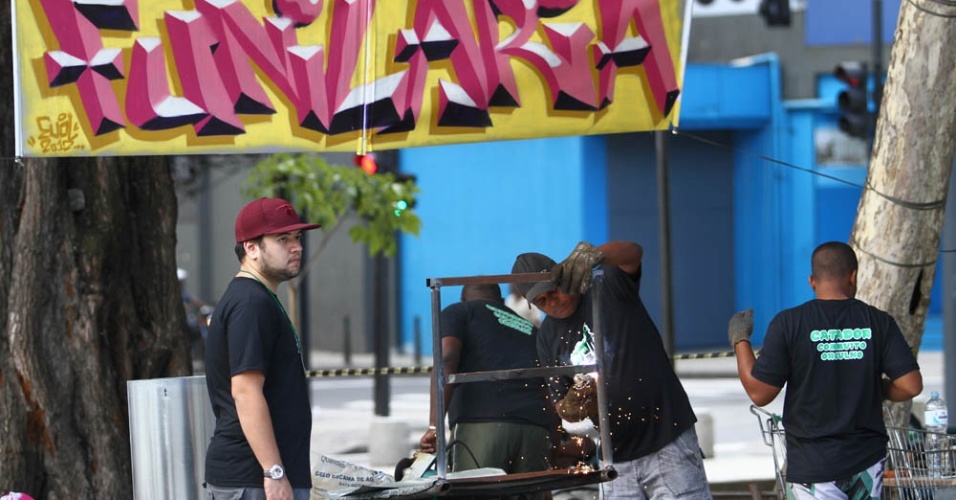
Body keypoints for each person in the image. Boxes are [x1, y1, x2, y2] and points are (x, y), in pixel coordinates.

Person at [512, 241, 711, 500]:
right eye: (541, 301)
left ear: (565, 278)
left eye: (554, 291)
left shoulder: (606, 288)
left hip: (666, 439)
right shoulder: (546, 336)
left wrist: (596, 255)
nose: (552, 302)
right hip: (614, 457)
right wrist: (573, 407)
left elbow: (633, 253)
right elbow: (560, 402)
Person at [729, 241, 923, 499]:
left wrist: (740, 340)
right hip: (866, 462)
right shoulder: (879, 322)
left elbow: (759, 392)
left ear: (812, 281)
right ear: (853, 276)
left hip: (813, 466)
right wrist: (882, 388)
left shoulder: (788, 324)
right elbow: (911, 385)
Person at [204, 197, 322, 500]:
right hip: (254, 479)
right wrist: (274, 471)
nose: (296, 246)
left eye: (297, 238)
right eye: (282, 239)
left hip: (260, 477)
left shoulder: (258, 299)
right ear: (251, 248)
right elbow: (245, 391)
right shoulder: (250, 304)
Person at [418, 283, 555, 499]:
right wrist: (555, 439)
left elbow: (446, 359)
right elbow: (548, 385)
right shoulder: (528, 327)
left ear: (464, 299)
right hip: (535, 430)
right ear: (500, 302)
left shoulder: (460, 311)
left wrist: (434, 426)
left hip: (483, 426)